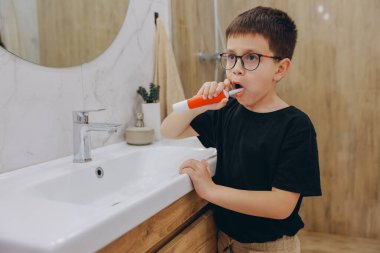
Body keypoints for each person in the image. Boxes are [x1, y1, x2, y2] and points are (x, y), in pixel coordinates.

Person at [160, 6, 321, 253]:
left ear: (280, 69)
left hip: (271, 247)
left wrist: (211, 191)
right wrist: (199, 104)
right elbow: (169, 130)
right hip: (225, 241)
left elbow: (281, 205)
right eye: (231, 56)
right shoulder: (227, 111)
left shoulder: (295, 126)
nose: (236, 67)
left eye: (251, 57)